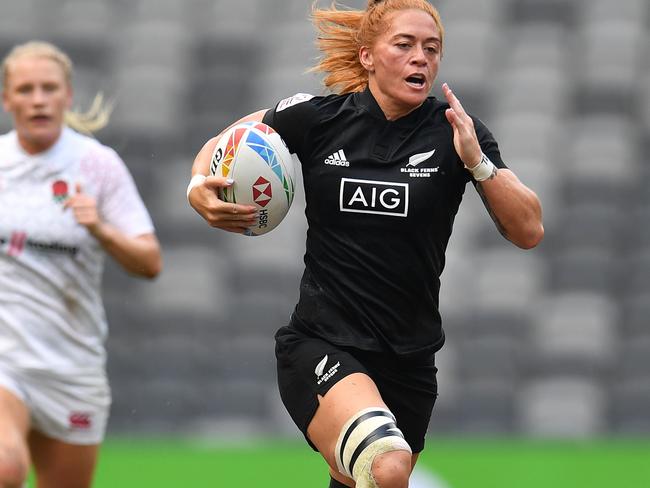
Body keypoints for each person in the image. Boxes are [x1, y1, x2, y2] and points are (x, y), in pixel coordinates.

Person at [188, 1, 543, 487]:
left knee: (364, 481)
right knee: (388, 465)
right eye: (405, 45)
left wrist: (478, 162)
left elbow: (528, 230)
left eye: (431, 48)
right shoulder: (316, 118)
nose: (421, 57)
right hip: (322, 343)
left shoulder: (456, 133)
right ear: (368, 56)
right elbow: (226, 142)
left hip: (409, 360)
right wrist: (196, 186)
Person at [0, 41, 162, 488]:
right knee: (5, 467)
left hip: (72, 364)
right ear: (7, 98)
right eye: (25, 89)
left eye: (48, 88)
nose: (37, 99)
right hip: (6, 359)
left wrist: (101, 230)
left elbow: (150, 262)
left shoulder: (97, 165)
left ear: (67, 96)